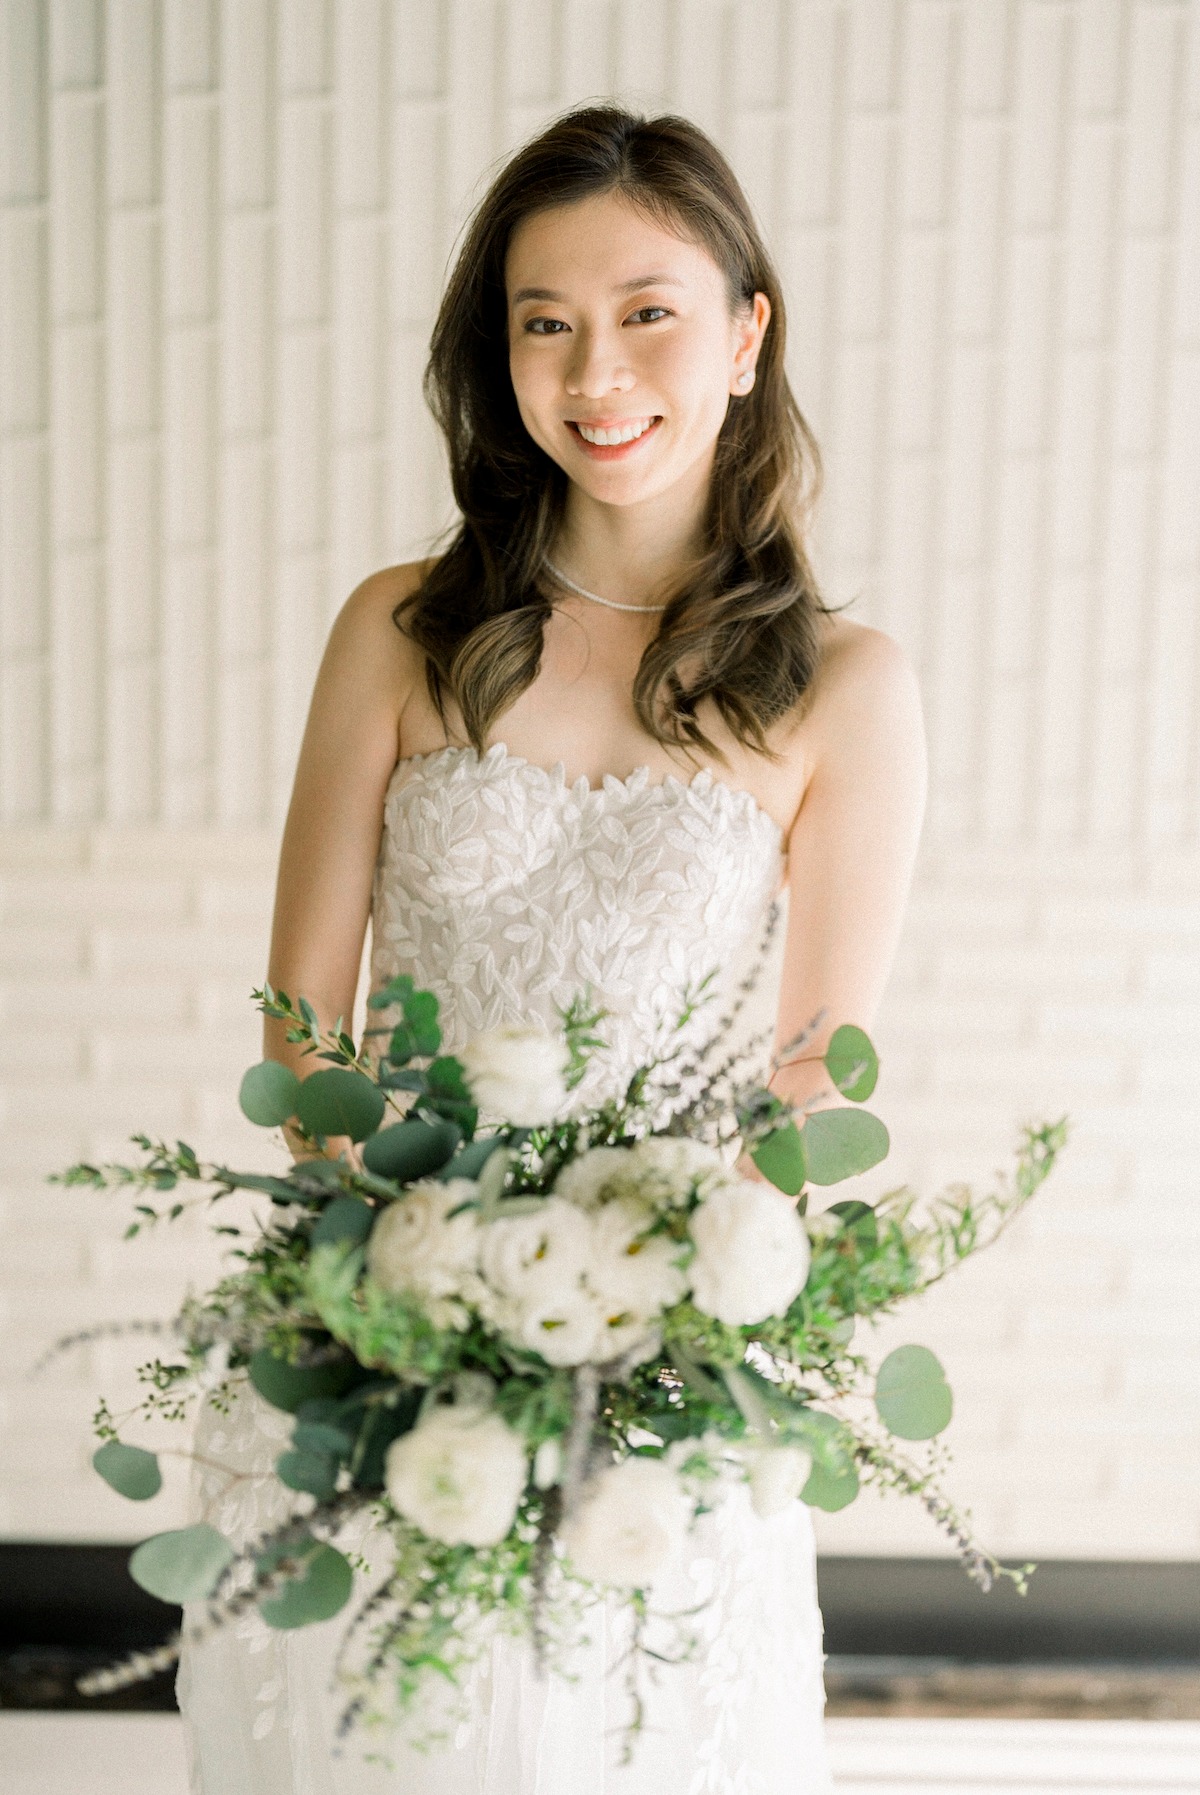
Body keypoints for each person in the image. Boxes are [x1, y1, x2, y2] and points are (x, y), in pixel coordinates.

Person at [176, 104, 926, 1794]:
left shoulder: (843, 689)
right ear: (496, 355)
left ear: (748, 334)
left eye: (649, 310)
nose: (598, 371)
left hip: (662, 1379)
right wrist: (417, 1298)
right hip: (382, 1332)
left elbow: (808, 1094)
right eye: (544, 322)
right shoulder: (399, 629)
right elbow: (304, 1022)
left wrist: (623, 1323)